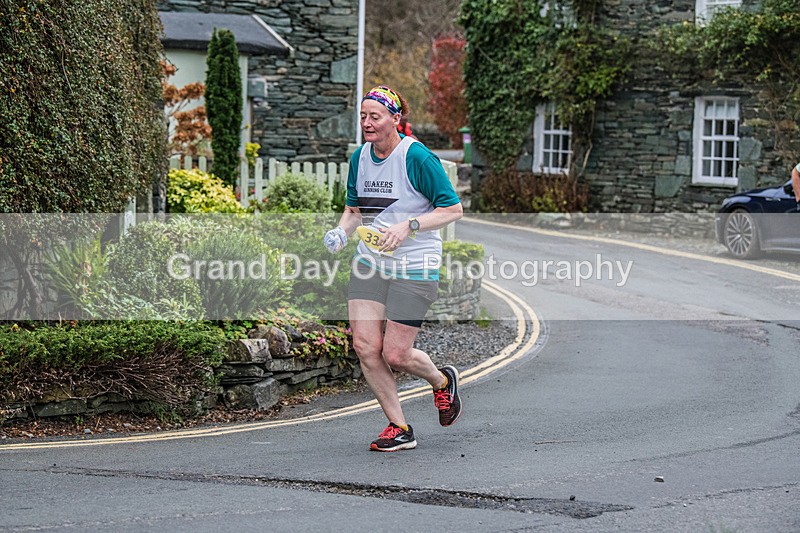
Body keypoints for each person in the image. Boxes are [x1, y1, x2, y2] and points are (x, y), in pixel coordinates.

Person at [324, 85, 464, 452]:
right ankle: (399, 426)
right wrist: (341, 233)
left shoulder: (416, 157)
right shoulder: (360, 158)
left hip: (416, 265)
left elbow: (452, 210)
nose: (367, 123)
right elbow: (354, 211)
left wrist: (409, 226)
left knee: (396, 354)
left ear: (395, 119)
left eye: (375, 116)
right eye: (363, 116)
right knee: (365, 345)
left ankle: (440, 382)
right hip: (371, 261)